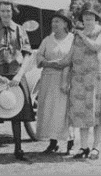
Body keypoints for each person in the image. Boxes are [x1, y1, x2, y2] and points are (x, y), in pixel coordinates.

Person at [45, 6, 101, 160]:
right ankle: (84, 147)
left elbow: (95, 47)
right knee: (82, 114)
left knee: (97, 115)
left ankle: (96, 147)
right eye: (85, 18)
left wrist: (81, 34)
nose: (88, 21)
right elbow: (69, 57)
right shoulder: (77, 37)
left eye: (91, 18)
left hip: (96, 79)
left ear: (96, 18)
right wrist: (48, 63)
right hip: (79, 80)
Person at [0, 0, 36, 161]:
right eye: (3, 11)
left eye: (8, 11)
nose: (6, 14)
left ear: (13, 12)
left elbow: (27, 54)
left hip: (15, 75)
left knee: (17, 113)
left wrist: (19, 75)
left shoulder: (20, 30)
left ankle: (18, 149)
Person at [34, 9, 76, 155]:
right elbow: (39, 56)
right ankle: (53, 143)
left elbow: (75, 58)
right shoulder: (47, 40)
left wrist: (65, 65)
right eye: (52, 21)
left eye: (57, 21)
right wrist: (48, 63)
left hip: (65, 79)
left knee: (65, 111)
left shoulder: (72, 39)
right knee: (50, 110)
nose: (54, 24)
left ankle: (71, 142)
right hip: (48, 78)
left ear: (65, 23)